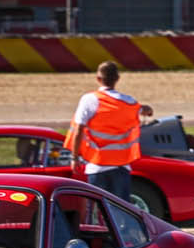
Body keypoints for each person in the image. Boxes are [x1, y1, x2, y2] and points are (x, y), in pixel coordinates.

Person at [64, 60, 152, 204]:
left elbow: (79, 128)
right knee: (121, 211)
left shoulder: (90, 100)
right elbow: (143, 110)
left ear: (98, 79)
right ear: (117, 78)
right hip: (121, 167)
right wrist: (146, 109)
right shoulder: (129, 102)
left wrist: (74, 158)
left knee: (96, 211)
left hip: (97, 167)